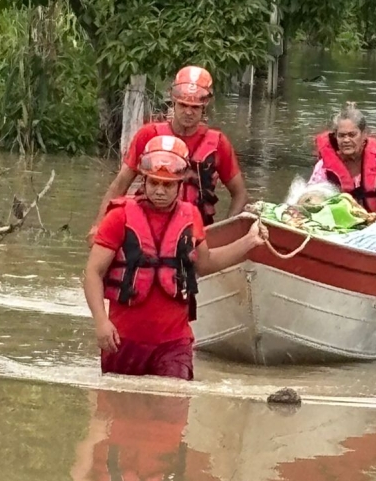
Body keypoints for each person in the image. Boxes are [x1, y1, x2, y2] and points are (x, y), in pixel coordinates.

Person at [84, 133, 261, 380]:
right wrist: (101, 322)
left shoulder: (191, 216)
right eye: (153, 183)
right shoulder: (119, 216)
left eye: (167, 185)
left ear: (180, 184)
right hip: (123, 341)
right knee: (120, 414)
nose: (159, 191)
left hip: (174, 344)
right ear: (143, 181)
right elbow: (93, 273)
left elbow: (205, 264)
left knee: (173, 409)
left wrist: (249, 242)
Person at [92, 66, 248, 232]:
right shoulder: (148, 135)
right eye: (183, 105)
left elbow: (240, 194)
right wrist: (99, 226)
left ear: (204, 106)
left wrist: (223, 232)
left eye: (194, 107)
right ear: (173, 102)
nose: (188, 112)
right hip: (147, 229)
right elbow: (120, 185)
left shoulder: (218, 143)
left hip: (196, 232)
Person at [310, 103, 376, 219]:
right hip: (339, 224)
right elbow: (311, 197)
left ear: (364, 135)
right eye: (341, 135)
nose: (346, 140)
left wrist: (372, 219)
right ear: (335, 137)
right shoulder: (323, 167)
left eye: (352, 135)